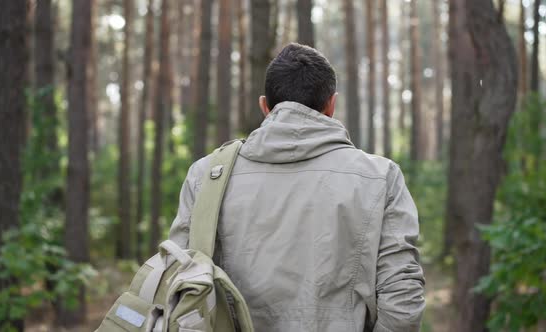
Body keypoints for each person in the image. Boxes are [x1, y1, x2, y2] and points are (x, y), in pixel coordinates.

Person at [169, 43, 425, 331]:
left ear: (265, 106)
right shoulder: (379, 177)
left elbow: (180, 284)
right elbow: (403, 296)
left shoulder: (207, 175)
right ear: (331, 105)